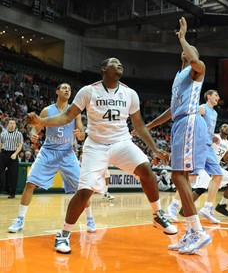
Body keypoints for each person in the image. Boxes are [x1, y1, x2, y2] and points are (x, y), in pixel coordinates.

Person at [27, 57, 177, 254]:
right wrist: (41, 121)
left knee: (146, 169)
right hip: (96, 145)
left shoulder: (130, 93)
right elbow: (66, 116)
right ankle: (63, 234)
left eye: (121, 63)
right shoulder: (88, 91)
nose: (120, 64)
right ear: (104, 68)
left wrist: (155, 148)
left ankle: (157, 214)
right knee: (84, 191)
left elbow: (139, 125)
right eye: (115, 62)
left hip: (121, 142)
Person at [143, 17, 211, 254]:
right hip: (180, 123)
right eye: (184, 50)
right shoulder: (178, 76)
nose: (187, 54)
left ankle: (197, 231)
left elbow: (195, 60)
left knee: (178, 176)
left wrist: (183, 38)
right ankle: (193, 231)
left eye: (191, 52)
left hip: (191, 121)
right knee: (178, 177)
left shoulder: (196, 71)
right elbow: (172, 109)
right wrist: (150, 125)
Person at [8, 83, 96, 234]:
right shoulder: (47, 110)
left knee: (84, 188)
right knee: (30, 184)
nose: (67, 90)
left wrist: (80, 135)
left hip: (67, 153)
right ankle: (20, 219)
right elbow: (35, 128)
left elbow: (81, 133)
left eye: (69, 88)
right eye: (64, 88)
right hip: (49, 151)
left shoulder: (74, 111)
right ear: (57, 91)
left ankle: (90, 219)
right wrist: (33, 135)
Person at [167, 90, 223, 224]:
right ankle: (173, 207)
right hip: (198, 145)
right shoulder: (202, 108)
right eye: (215, 95)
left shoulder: (214, 113)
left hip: (208, 147)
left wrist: (213, 136)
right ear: (208, 96)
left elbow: (206, 128)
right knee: (191, 177)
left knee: (218, 175)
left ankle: (207, 208)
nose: (218, 97)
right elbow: (191, 119)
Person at [193, 124, 228, 217]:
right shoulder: (214, 136)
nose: (226, 128)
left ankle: (221, 205)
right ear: (220, 129)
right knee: (201, 189)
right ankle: (185, 207)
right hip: (206, 165)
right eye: (224, 126)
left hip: (216, 167)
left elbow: (227, 158)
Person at [0, 118, 23, 198]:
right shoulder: (3, 133)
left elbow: (20, 146)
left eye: (13, 123)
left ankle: (12, 193)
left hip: (13, 154)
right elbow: (0, 144)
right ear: (8, 124)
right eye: (10, 123)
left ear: (15, 125)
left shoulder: (19, 134)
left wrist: (15, 154)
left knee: (13, 175)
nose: (12, 125)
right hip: (3, 154)